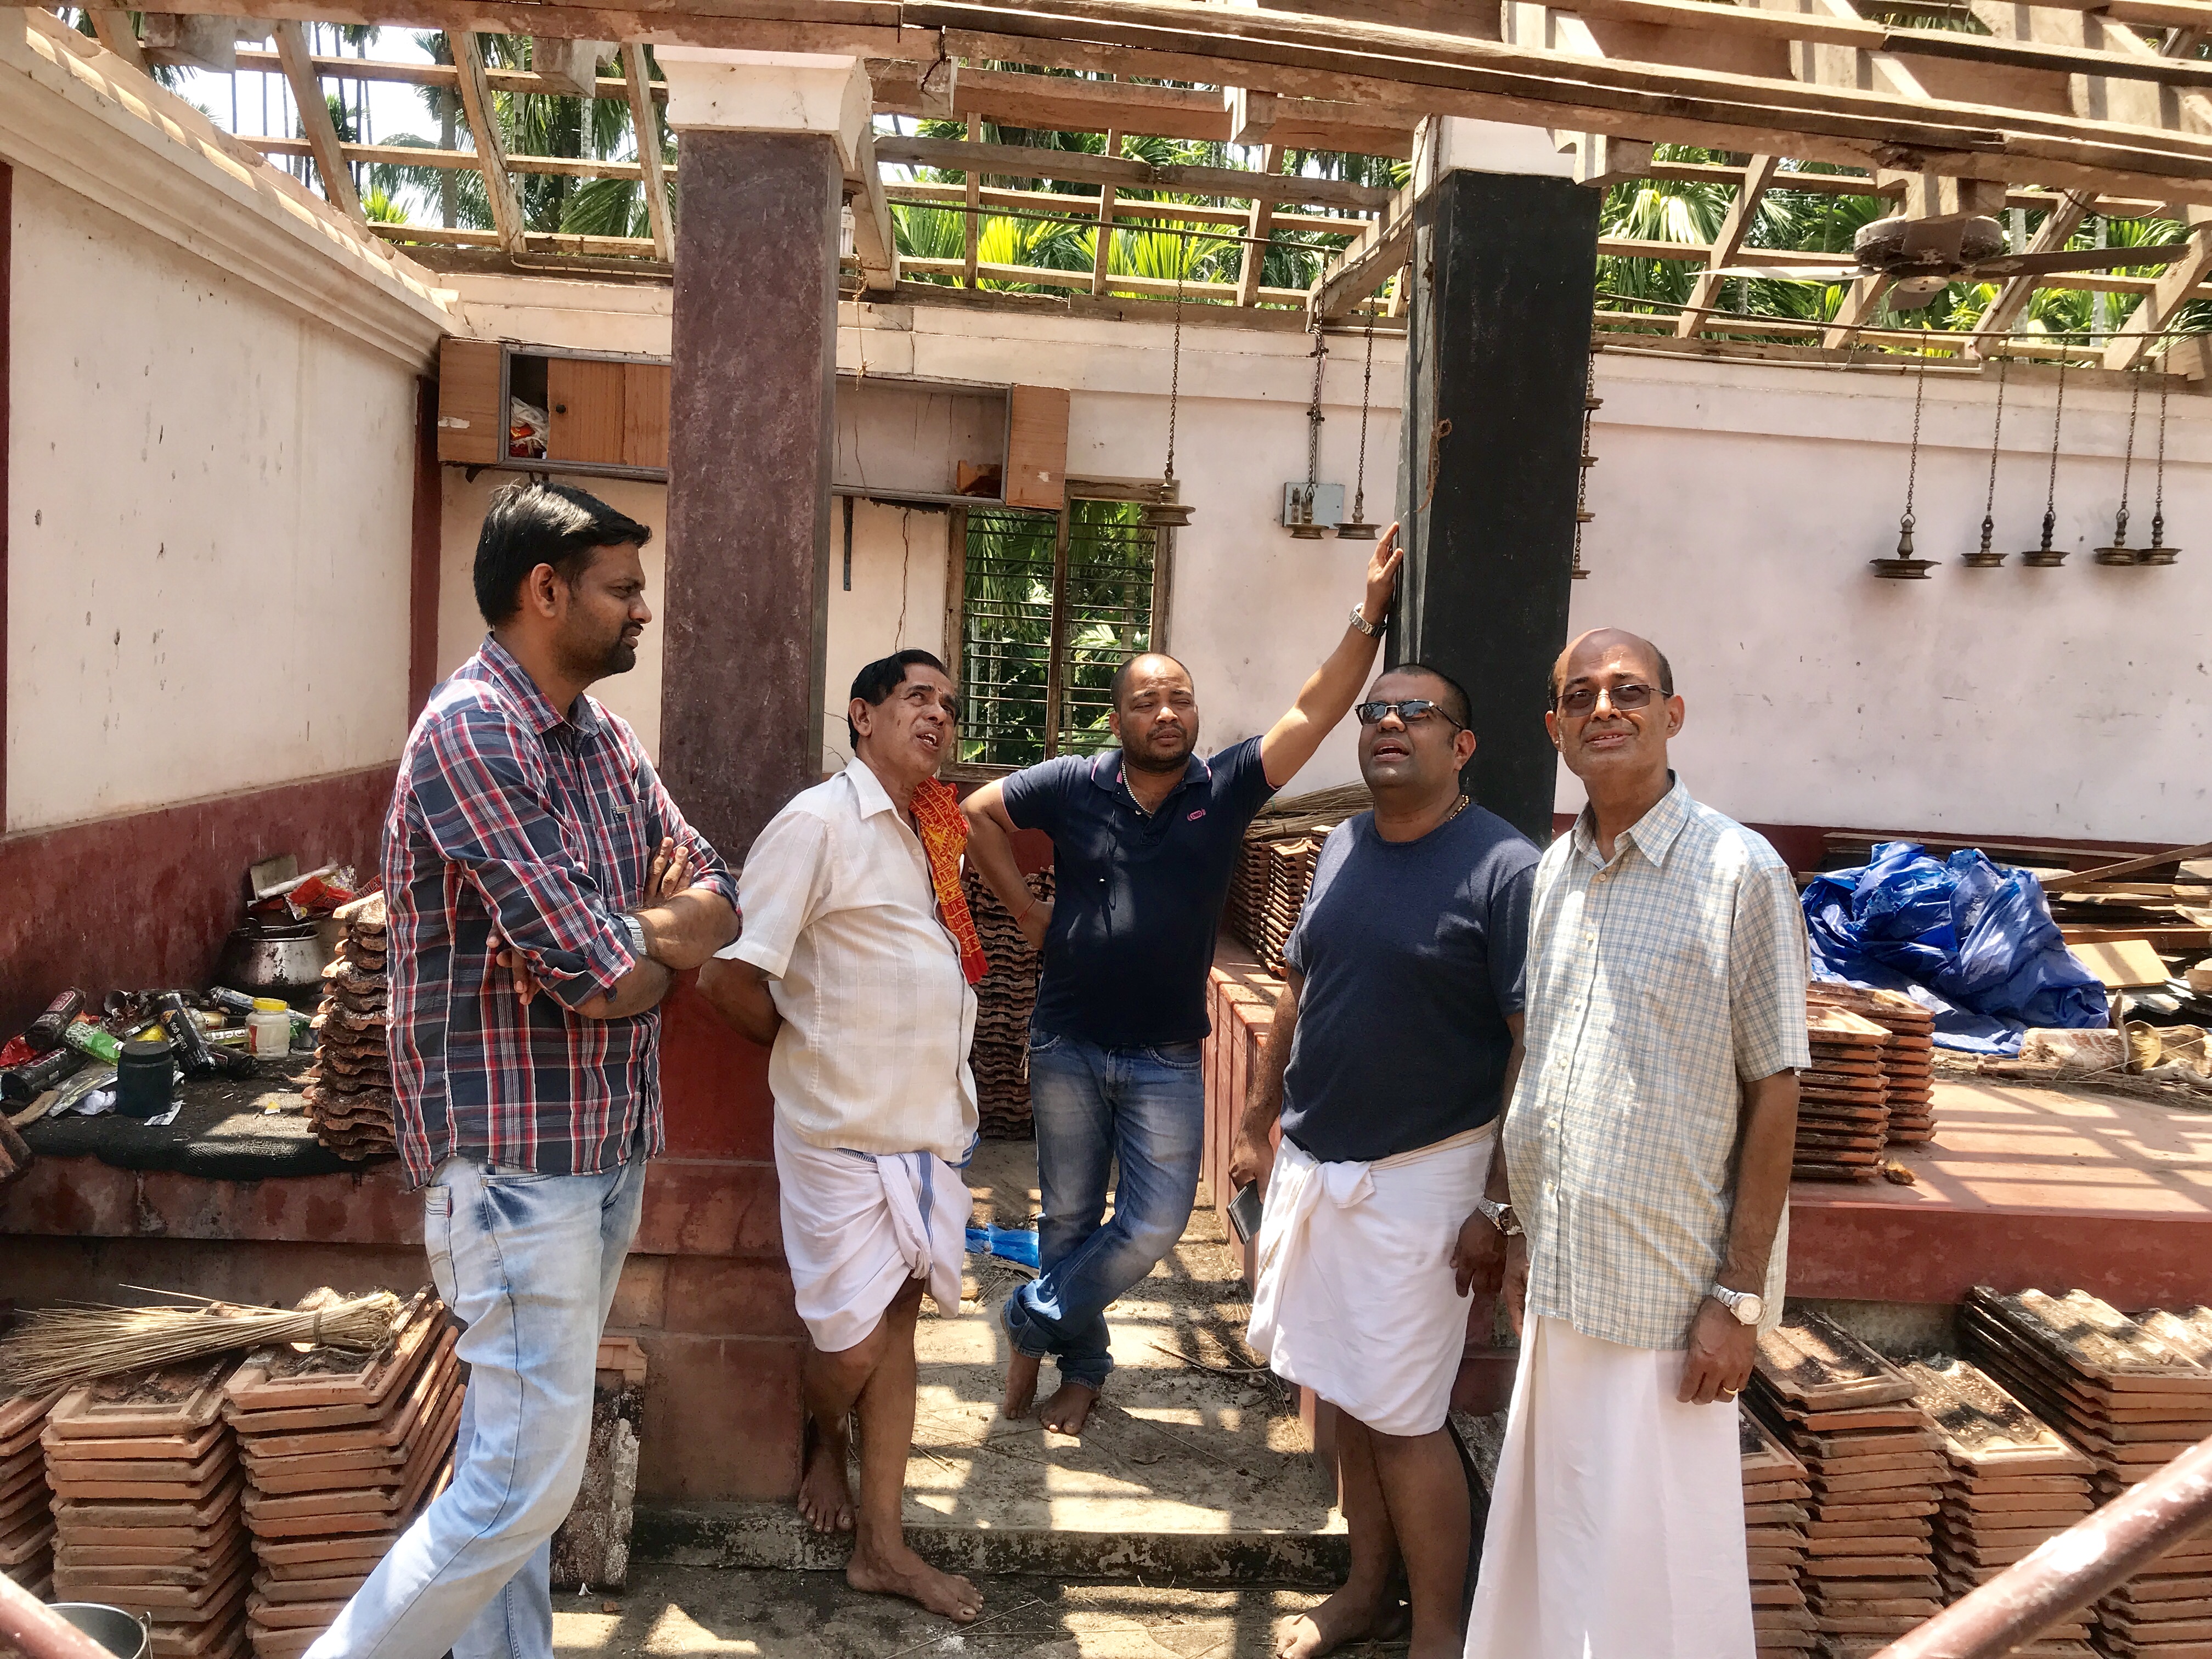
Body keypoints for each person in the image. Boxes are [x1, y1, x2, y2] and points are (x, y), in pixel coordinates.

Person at [310, 482, 740, 1659]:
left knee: (511, 1479)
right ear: (545, 591)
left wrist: (641, 931)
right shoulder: (475, 732)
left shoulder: (602, 739)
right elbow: (598, 980)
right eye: (623, 588)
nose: (643, 609)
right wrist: (650, 940)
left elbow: (717, 890)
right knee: (519, 1491)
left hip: (600, 1150)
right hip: (512, 1173)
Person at [961, 531, 1407, 1435]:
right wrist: (1030, 913)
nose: (1167, 713)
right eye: (1147, 701)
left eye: (1181, 699)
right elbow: (977, 813)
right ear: (1117, 719)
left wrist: (1368, 616)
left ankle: (1030, 1317)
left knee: (1156, 1223)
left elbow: (1315, 710)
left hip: (1165, 1054)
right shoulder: (1074, 784)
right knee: (1069, 1217)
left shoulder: (1228, 785)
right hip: (1067, 1039)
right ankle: (1084, 1371)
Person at [1461, 629, 1808, 1659]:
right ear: (1555, 729)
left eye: (1629, 691)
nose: (1604, 709)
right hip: (1565, 1274)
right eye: (1580, 696)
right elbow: (1539, 1059)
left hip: (1671, 1292)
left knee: (1659, 1569)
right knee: (1560, 1540)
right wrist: (1511, 1219)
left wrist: (1739, 1298)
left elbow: (1776, 1088)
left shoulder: (1740, 872)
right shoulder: (1555, 874)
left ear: (1672, 714)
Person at [1231, 663, 1537, 1659]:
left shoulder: (1506, 870)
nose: (1390, 723)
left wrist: (1496, 1205)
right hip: (1319, 1163)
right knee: (1348, 1398)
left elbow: (1531, 1046)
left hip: (1427, 1182)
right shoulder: (1344, 844)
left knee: (1405, 1417)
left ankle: (1439, 1634)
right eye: (1376, 711)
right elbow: (1298, 987)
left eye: (1418, 712)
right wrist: (1257, 1118)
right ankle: (1367, 1592)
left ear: (1463, 746)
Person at [695, 649, 986, 1624]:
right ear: (862, 716)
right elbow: (729, 977)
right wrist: (811, 1050)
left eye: (948, 704)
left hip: (926, 1129)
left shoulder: (934, 829)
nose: (937, 715)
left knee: (898, 1326)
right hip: (838, 1133)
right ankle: (826, 1438)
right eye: (916, 698)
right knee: (851, 1347)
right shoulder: (819, 824)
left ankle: (882, 1547)